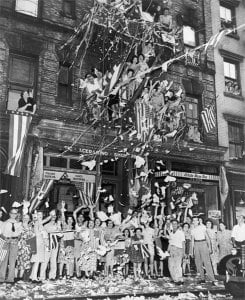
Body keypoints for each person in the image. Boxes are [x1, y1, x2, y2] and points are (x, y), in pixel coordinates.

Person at [191, 216, 216, 284]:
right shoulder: (192, 229)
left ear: (198, 221)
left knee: (207, 262)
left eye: (196, 220)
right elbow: (192, 240)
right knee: (198, 263)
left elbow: (207, 238)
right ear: (192, 222)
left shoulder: (202, 227)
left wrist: (210, 247)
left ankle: (212, 279)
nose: (195, 222)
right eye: (194, 220)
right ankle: (202, 278)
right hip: (196, 244)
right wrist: (192, 250)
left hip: (203, 243)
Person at [0, 208, 22, 283]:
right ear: (9, 214)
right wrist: (5, 238)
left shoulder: (19, 224)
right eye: (12, 213)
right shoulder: (5, 223)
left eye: (15, 213)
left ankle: (10, 279)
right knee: (4, 261)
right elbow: (1, 233)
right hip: (6, 242)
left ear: (16, 215)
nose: (13, 215)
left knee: (12, 261)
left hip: (14, 242)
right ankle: (1, 278)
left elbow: (19, 234)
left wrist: (16, 239)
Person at [41, 210, 62, 280]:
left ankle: (52, 276)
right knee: (45, 260)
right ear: (50, 217)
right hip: (48, 244)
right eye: (52, 215)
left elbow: (61, 235)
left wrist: (59, 230)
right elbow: (43, 235)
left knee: (53, 260)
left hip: (55, 244)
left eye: (55, 215)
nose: (53, 217)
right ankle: (42, 276)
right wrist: (46, 243)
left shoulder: (57, 225)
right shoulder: (46, 225)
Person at [30, 211, 49, 282]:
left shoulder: (39, 224)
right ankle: (34, 278)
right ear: (36, 216)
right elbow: (39, 234)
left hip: (40, 243)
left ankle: (32, 276)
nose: (40, 216)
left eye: (41, 214)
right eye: (38, 215)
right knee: (37, 261)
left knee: (37, 261)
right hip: (38, 243)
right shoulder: (38, 223)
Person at [16, 214, 35, 280]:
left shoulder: (30, 227)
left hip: (27, 247)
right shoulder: (19, 225)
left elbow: (32, 236)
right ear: (22, 218)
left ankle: (21, 277)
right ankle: (17, 277)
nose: (26, 219)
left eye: (27, 218)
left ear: (29, 219)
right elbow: (17, 235)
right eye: (24, 217)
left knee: (25, 262)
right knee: (19, 261)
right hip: (20, 245)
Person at [167, 219, 185, 284]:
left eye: (175, 224)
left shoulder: (180, 233)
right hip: (171, 250)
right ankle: (174, 279)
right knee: (171, 265)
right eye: (173, 224)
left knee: (178, 265)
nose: (174, 225)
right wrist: (167, 251)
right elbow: (170, 243)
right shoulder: (171, 233)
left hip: (178, 250)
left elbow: (183, 243)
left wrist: (184, 252)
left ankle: (180, 280)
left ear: (177, 225)